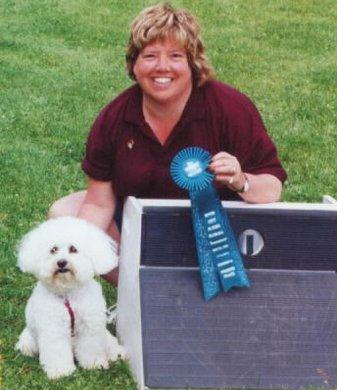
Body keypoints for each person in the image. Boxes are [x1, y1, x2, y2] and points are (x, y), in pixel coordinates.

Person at [49, 3, 287, 285]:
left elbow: (273, 188)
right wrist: (74, 255)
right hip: (145, 231)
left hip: (217, 237)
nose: (162, 67)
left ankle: (221, 284)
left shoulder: (230, 107)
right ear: (134, 64)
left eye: (175, 56)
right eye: (150, 56)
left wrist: (241, 181)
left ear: (193, 63)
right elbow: (98, 204)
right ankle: (134, 293)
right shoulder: (114, 117)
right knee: (64, 212)